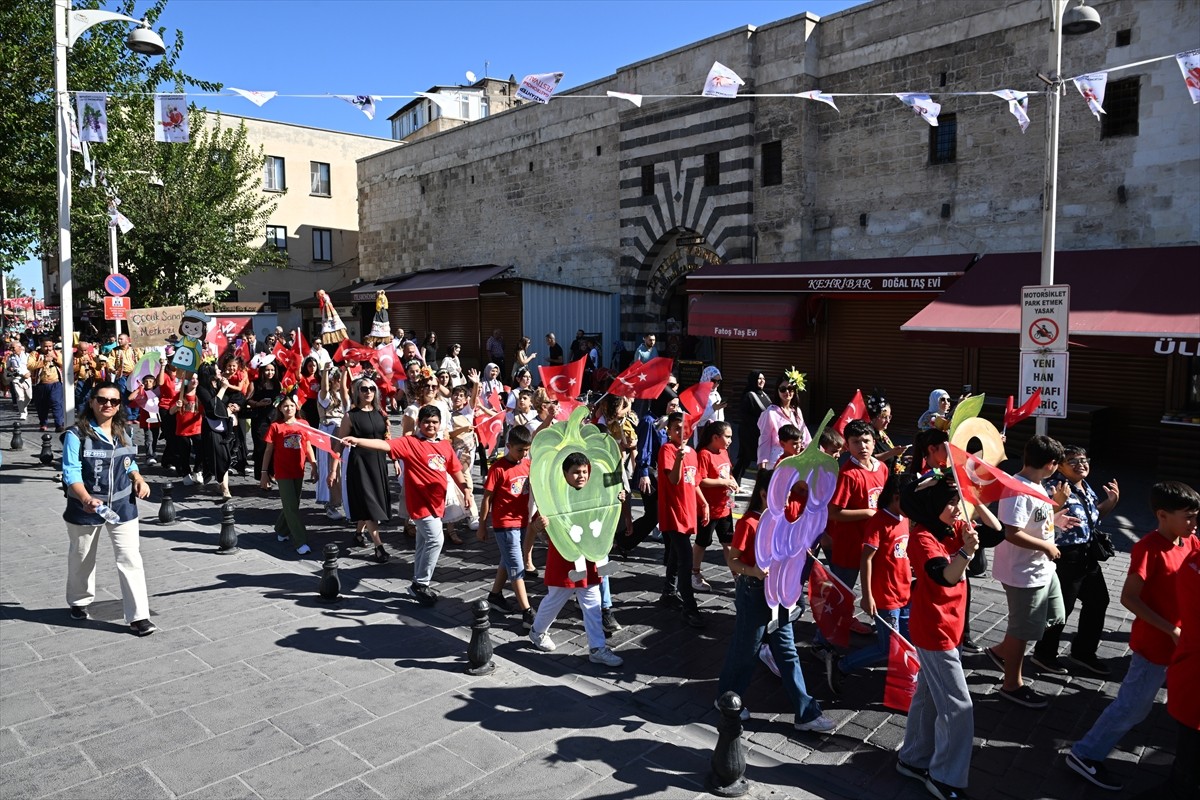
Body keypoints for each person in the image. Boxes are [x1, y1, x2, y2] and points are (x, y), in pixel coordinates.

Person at [1066, 481, 1200, 792]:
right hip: (1154, 645)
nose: (1194, 523)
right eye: (1189, 517)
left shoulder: (1190, 544)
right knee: (1132, 707)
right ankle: (1085, 754)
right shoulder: (1148, 548)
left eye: (1196, 516)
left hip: (1182, 645)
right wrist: (1170, 628)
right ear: (1162, 515)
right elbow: (1129, 599)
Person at [897, 469, 1000, 800]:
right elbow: (945, 577)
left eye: (957, 502)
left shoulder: (954, 525)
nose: (957, 509)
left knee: (927, 697)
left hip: (949, 625)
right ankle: (944, 777)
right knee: (958, 707)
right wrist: (966, 553)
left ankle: (913, 759)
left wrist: (975, 500)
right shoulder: (923, 537)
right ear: (931, 506)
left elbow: (998, 533)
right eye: (951, 503)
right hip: (934, 631)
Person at [717, 469, 835, 732]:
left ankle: (806, 714)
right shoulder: (748, 522)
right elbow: (733, 560)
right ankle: (726, 697)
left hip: (780, 594)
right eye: (782, 493)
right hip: (753, 592)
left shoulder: (784, 520)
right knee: (746, 650)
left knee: (788, 652)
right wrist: (754, 571)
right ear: (763, 494)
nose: (787, 500)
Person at [344, 404, 475, 606]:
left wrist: (466, 489)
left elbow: (455, 469)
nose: (430, 425)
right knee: (436, 539)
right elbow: (384, 445)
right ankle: (421, 584)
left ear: (440, 424)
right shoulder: (410, 442)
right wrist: (358, 441)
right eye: (426, 422)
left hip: (437, 503)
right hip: (420, 504)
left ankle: (416, 581)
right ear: (419, 423)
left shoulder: (444, 445)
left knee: (423, 542)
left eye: (434, 422)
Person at [61, 381, 156, 635]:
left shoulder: (122, 431)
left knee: (131, 559)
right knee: (82, 557)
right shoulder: (76, 434)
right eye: (102, 400)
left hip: (123, 505)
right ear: (92, 401)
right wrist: (85, 498)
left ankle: (139, 616)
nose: (108, 405)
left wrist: (139, 479)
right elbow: (71, 473)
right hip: (86, 508)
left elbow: (129, 462)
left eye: (114, 401)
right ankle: (79, 601)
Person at [988, 435, 1073, 709]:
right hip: (1023, 572)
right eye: (1057, 465)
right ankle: (1011, 684)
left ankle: (1001, 652)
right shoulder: (1016, 489)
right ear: (1050, 464)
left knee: (1054, 615)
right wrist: (1046, 546)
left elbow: (1035, 521)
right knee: (1022, 630)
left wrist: (1056, 514)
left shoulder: (1038, 485)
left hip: (1042, 568)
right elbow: (1011, 532)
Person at [527, 452, 624, 668]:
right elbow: (536, 526)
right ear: (565, 474)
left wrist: (617, 502)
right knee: (555, 599)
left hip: (588, 557)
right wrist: (539, 525)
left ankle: (597, 648)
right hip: (565, 559)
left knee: (592, 601)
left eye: (584, 472)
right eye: (576, 472)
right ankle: (537, 631)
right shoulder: (554, 496)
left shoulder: (596, 492)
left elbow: (607, 513)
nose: (581, 476)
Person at [1032, 446, 1120, 676]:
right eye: (1072, 460)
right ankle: (1044, 654)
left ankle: (1083, 653)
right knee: (1062, 608)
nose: (1081, 463)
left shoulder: (1084, 486)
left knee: (1099, 601)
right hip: (1065, 555)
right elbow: (1039, 519)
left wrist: (1110, 503)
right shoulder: (1054, 486)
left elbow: (1091, 519)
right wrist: (1057, 503)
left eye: (1084, 459)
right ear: (1060, 465)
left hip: (1087, 554)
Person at [826, 475, 911, 692]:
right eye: (911, 500)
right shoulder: (879, 521)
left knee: (906, 642)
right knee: (888, 647)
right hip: (886, 595)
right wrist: (868, 595)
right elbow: (866, 559)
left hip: (905, 592)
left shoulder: (905, 518)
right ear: (896, 497)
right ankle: (843, 665)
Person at [822, 419, 888, 638]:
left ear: (874, 441)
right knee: (841, 594)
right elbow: (833, 513)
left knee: (877, 590)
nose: (863, 447)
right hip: (849, 545)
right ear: (847, 446)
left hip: (874, 545)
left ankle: (884, 633)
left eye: (866, 441)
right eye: (856, 442)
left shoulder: (883, 469)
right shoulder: (848, 474)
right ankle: (822, 640)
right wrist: (868, 513)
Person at [478, 426, 535, 631]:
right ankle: (527, 612)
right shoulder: (498, 468)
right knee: (516, 568)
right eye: (520, 450)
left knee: (507, 559)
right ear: (508, 446)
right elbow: (487, 499)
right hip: (505, 525)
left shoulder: (528, 464)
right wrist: (482, 525)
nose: (524, 454)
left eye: (527, 449)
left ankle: (494, 596)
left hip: (522, 523)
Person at [659, 411, 710, 628]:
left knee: (674, 554)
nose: (681, 431)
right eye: (676, 428)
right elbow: (674, 479)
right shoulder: (667, 450)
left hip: (688, 511)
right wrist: (679, 458)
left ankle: (668, 592)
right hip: (673, 512)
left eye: (684, 428)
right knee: (686, 559)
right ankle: (690, 607)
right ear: (669, 431)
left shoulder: (692, 452)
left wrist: (704, 502)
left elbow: (694, 481)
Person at [336, 377, 392, 563]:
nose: (368, 392)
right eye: (364, 389)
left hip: (379, 463)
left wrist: (396, 460)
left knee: (373, 500)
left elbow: (387, 440)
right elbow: (339, 444)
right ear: (357, 392)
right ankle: (379, 546)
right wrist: (333, 469)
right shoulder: (350, 416)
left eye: (371, 389)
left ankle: (359, 533)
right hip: (360, 464)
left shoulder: (381, 414)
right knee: (369, 503)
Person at [260, 395, 318, 556]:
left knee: (292, 504)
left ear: (296, 407)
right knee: (292, 507)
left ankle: (280, 529)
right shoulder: (275, 427)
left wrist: (314, 464)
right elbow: (268, 451)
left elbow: (307, 446)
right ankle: (301, 541)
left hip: (298, 470)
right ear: (280, 409)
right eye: (285, 406)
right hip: (282, 472)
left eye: (292, 405)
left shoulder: (304, 424)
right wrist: (264, 473)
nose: (289, 409)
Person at [693, 420, 738, 593]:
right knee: (702, 542)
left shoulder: (723, 451)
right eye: (727, 437)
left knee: (728, 543)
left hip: (724, 506)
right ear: (715, 437)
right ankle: (694, 573)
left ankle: (737, 576)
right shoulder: (704, 454)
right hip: (708, 508)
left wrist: (732, 481)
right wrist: (723, 481)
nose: (730, 441)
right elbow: (701, 480)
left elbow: (728, 471)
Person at [757, 372, 810, 469]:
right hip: (777, 461)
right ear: (777, 391)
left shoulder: (797, 411)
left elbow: (805, 436)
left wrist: (812, 454)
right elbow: (764, 439)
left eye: (790, 389)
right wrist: (762, 465)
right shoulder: (771, 412)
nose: (787, 392)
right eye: (783, 389)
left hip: (796, 459)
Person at [316, 363, 348, 521]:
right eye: (334, 378)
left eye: (337, 378)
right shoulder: (324, 396)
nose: (336, 381)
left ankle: (340, 499)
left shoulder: (343, 397)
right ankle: (330, 503)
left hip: (340, 430)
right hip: (328, 431)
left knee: (341, 467)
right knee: (329, 467)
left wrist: (346, 371)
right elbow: (324, 389)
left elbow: (344, 389)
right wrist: (325, 371)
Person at [248, 361, 282, 481]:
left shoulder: (277, 384)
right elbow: (248, 400)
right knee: (261, 447)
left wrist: (278, 401)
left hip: (273, 418)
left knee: (274, 447)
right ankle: (262, 475)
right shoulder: (255, 384)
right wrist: (258, 403)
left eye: (272, 370)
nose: (270, 372)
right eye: (267, 370)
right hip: (259, 419)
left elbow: (281, 397)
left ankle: (272, 473)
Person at [733, 371, 770, 484]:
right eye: (759, 378)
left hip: (760, 432)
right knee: (746, 457)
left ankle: (737, 479)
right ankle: (735, 480)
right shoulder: (749, 395)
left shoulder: (764, 395)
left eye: (763, 378)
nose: (762, 381)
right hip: (749, 432)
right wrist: (760, 422)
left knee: (752, 458)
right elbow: (744, 415)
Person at [168, 372, 203, 484]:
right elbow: (171, 411)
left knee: (200, 450)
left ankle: (198, 471)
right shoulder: (180, 395)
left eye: (196, 379)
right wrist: (176, 406)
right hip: (183, 429)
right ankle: (186, 473)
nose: (195, 381)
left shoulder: (200, 395)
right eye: (192, 379)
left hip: (197, 428)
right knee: (184, 453)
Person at [27, 337, 64, 431]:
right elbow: (30, 365)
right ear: (41, 345)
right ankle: (43, 423)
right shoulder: (34, 354)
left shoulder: (57, 353)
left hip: (55, 383)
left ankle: (59, 424)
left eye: (50, 346)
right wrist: (44, 361)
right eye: (45, 346)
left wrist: (55, 359)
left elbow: (65, 364)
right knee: (41, 405)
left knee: (56, 402)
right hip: (40, 384)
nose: (48, 349)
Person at [867, 394, 907, 470]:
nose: (888, 421)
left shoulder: (881, 433)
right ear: (874, 417)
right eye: (884, 417)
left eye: (889, 417)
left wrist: (902, 458)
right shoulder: (868, 435)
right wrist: (892, 453)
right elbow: (869, 459)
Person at [692, 366, 725, 443]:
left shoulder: (716, 394)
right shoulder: (699, 394)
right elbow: (697, 418)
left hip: (717, 431)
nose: (716, 384)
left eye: (719, 381)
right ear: (706, 378)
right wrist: (713, 409)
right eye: (713, 381)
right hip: (704, 431)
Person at [5, 340, 31, 420]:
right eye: (11, 348)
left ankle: (24, 407)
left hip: (27, 378)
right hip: (16, 378)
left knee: (29, 397)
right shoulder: (10, 357)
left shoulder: (27, 355)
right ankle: (22, 412)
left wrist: (30, 373)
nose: (12, 349)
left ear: (19, 347)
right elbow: (8, 367)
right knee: (20, 396)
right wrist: (10, 368)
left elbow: (32, 366)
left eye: (13, 347)